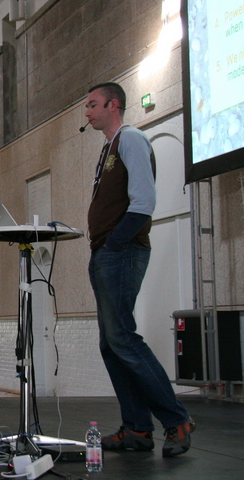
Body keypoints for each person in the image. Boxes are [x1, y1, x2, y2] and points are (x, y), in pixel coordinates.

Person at [84, 82, 195, 457]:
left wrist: (115, 243)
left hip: (121, 251)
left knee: (124, 339)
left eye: (93, 105)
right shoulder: (109, 148)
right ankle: (137, 429)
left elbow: (144, 201)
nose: (88, 112)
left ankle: (176, 420)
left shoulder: (130, 139)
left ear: (113, 105)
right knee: (111, 344)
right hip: (106, 252)